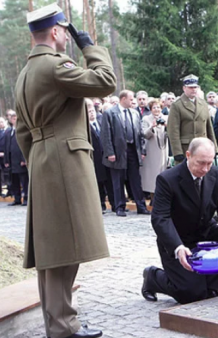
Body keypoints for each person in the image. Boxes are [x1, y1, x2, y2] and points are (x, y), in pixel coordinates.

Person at [14, 3, 116, 338]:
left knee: (54, 248)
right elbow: (105, 82)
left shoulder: (25, 73)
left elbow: (23, 133)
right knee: (62, 249)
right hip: (63, 161)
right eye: (66, 33)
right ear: (57, 31)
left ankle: (61, 321)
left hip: (45, 160)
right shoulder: (55, 67)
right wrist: (90, 47)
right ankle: (62, 327)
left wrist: (40, 159)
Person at [141, 138, 218, 304]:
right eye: (201, 163)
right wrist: (178, 247)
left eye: (209, 163)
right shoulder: (167, 179)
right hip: (179, 240)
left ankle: (210, 285)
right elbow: (160, 218)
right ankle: (153, 277)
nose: (205, 169)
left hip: (206, 234)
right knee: (189, 294)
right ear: (188, 155)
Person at [100, 90, 150, 217]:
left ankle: (141, 206)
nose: (133, 101)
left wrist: (142, 151)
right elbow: (106, 135)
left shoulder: (134, 113)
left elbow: (140, 134)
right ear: (123, 99)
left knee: (135, 179)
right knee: (118, 180)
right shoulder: (110, 113)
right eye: (131, 98)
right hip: (117, 151)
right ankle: (120, 207)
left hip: (133, 150)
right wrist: (110, 152)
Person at [167, 74, 217, 164]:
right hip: (186, 148)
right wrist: (177, 152)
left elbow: (209, 128)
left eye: (195, 87)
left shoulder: (203, 103)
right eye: (190, 87)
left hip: (203, 146)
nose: (193, 89)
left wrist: (214, 148)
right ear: (184, 88)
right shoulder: (177, 105)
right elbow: (173, 131)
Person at [141, 99, 169, 202]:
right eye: (154, 107)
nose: (156, 109)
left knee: (163, 171)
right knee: (152, 174)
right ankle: (153, 197)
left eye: (158, 107)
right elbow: (144, 134)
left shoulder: (166, 118)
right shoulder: (146, 119)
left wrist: (166, 125)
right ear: (151, 109)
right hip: (152, 149)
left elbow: (172, 132)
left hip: (163, 148)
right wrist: (152, 126)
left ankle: (163, 196)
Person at [4, 110, 29, 206]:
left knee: (24, 181)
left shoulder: (23, 131)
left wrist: (24, 159)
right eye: (12, 118)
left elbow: (25, 145)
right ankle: (17, 198)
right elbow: (6, 146)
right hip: (11, 161)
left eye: (15, 118)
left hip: (20, 161)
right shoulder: (9, 131)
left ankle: (26, 198)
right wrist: (6, 160)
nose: (13, 120)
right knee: (14, 181)